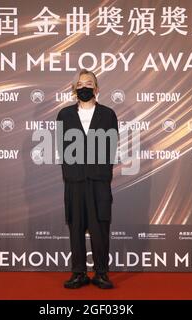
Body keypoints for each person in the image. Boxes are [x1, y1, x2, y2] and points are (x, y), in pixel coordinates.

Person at [56, 69, 119, 289]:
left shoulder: (108, 114)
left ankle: (101, 273)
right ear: (74, 89)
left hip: (99, 181)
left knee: (100, 227)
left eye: (89, 83)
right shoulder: (65, 115)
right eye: (80, 84)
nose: (84, 87)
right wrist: (72, 174)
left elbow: (110, 148)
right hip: (74, 182)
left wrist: (100, 172)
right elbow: (63, 148)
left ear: (96, 88)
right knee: (76, 227)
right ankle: (79, 273)